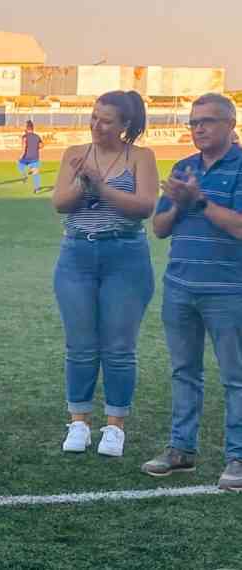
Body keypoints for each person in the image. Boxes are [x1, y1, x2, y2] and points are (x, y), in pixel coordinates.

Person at [142, 93, 242, 492]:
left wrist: (198, 201)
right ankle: (181, 449)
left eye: (208, 121)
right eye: (193, 122)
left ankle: (237, 456)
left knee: (235, 377)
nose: (198, 128)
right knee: (184, 372)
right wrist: (181, 204)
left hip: (229, 291)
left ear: (231, 125)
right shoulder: (183, 168)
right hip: (180, 287)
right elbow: (160, 227)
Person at [51, 91, 158, 457]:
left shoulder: (141, 157)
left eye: (106, 120)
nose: (97, 126)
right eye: (94, 117)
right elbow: (60, 203)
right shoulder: (75, 154)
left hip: (125, 255)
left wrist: (101, 185)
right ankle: (78, 421)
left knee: (119, 348)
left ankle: (115, 426)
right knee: (79, 345)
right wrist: (83, 182)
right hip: (77, 253)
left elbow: (143, 207)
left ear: (125, 125)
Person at [18, 120, 43, 192]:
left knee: (20, 165)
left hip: (26, 156)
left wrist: (21, 155)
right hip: (35, 156)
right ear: (33, 128)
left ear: (26, 128)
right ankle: (37, 188)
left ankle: (24, 175)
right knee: (36, 173)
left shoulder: (24, 136)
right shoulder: (37, 136)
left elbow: (24, 146)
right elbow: (42, 145)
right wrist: (36, 148)